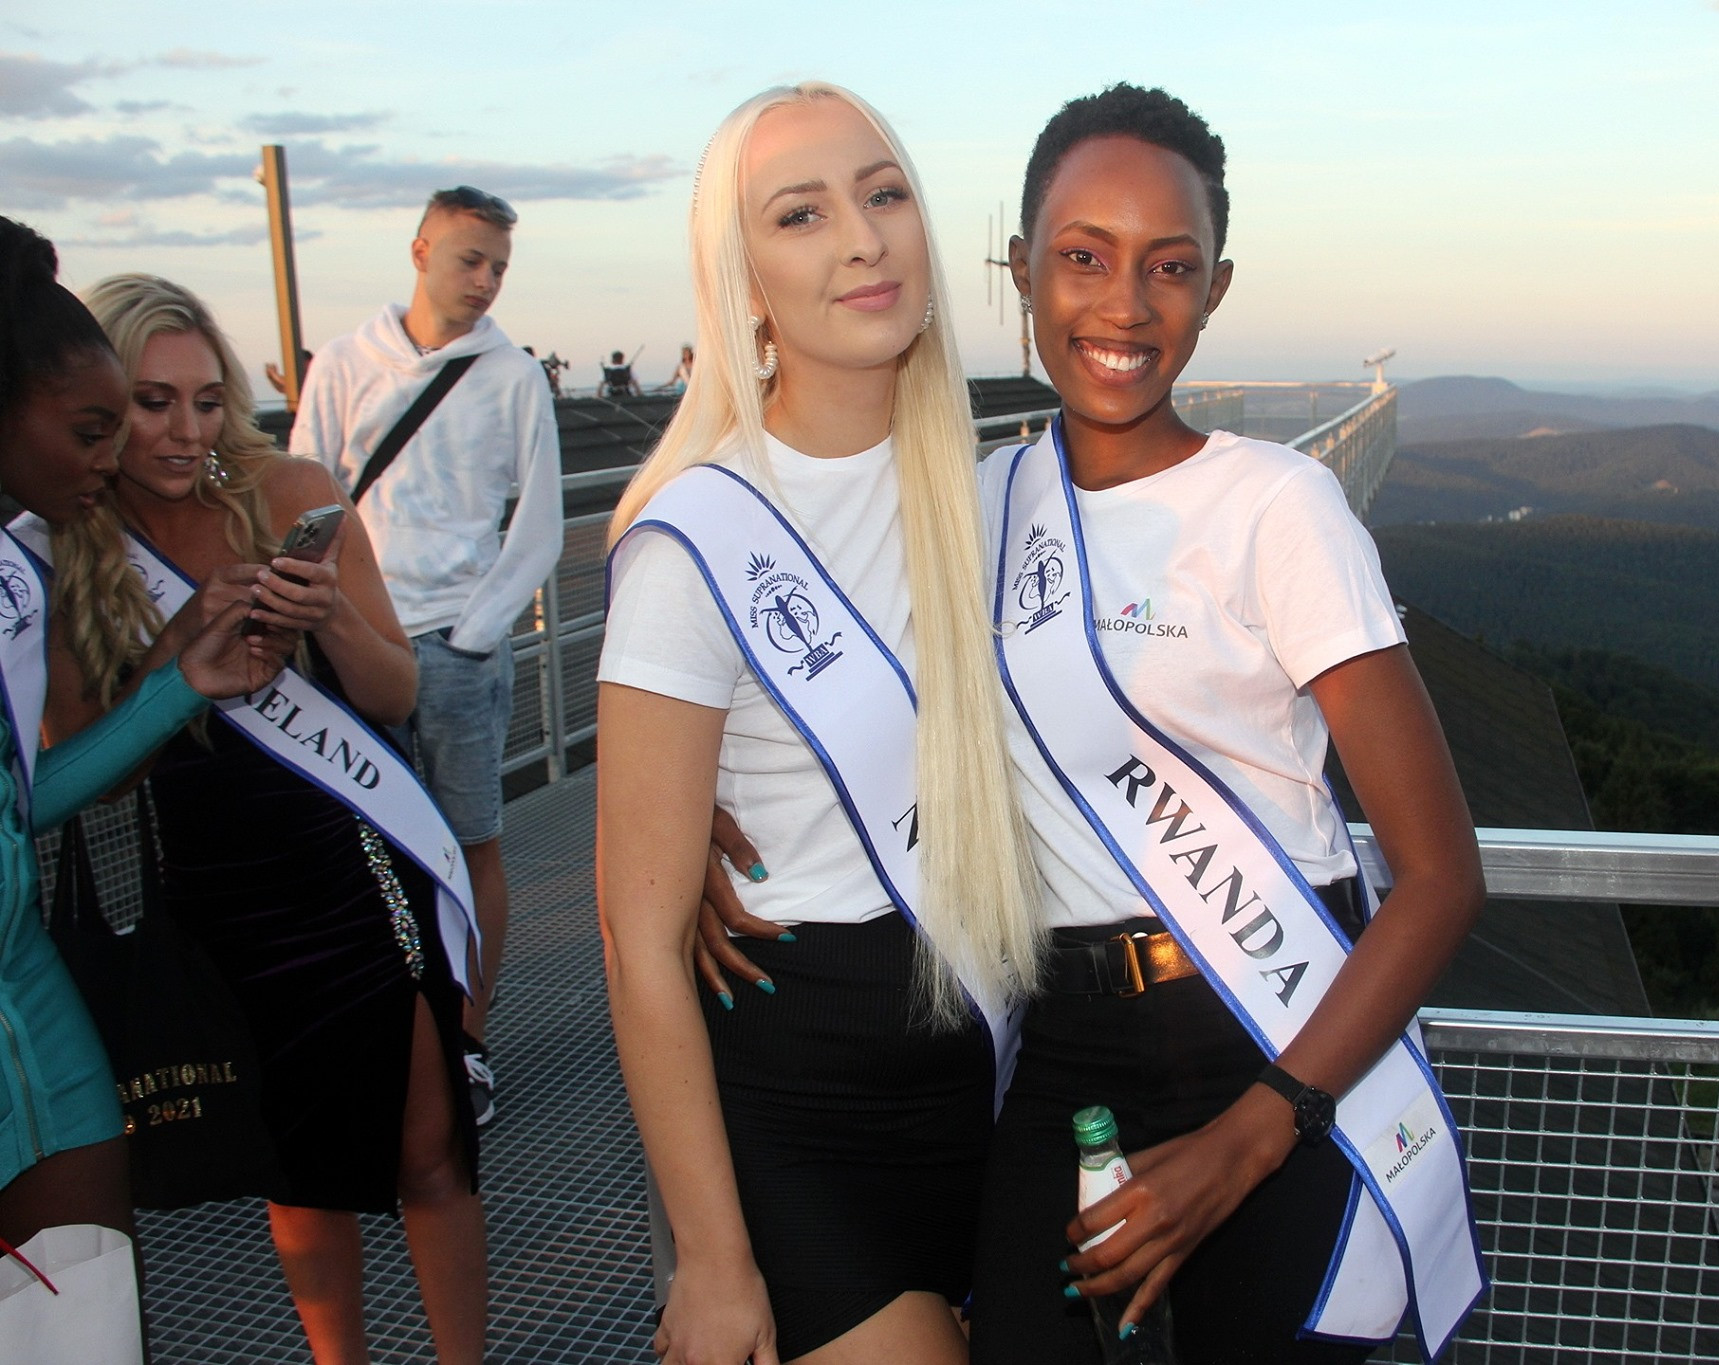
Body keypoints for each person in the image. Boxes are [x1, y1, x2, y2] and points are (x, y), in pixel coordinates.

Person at [968, 84, 1487, 1364]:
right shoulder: (974, 507)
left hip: (1272, 1039)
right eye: (1082, 258)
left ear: (1215, 289)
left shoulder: (1279, 506)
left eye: (1170, 267)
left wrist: (1250, 1137)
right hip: (1060, 1050)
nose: (1124, 305)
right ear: (1021, 272)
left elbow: (1438, 876)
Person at [597, 82, 1042, 1365]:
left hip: (992, 1063)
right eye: (802, 214)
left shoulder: (997, 495)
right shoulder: (694, 539)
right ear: (741, 284)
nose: (863, 237)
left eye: (884, 193)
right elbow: (635, 939)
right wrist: (715, 1257)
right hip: (801, 1095)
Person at [46, 273, 487, 1365]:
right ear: (105, 400)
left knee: (428, 1153)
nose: (185, 429)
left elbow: (394, 698)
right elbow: (82, 771)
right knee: (293, 1178)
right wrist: (182, 648)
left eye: (206, 399)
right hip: (212, 895)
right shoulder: (72, 541)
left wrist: (326, 609)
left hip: (350, 866)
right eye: (152, 402)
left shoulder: (289, 488)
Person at [0, 219, 291, 1340]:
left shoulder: (19, 582)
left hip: (35, 1005)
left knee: (93, 1325)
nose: (102, 457)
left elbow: (22, 813)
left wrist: (183, 683)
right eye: (87, 429)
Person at [290, 184, 563, 1128]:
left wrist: (474, 632)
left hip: (456, 647)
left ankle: (466, 1040)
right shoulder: (344, 362)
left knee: (468, 842)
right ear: (420, 251)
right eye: (468, 259)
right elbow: (308, 492)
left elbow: (538, 522)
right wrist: (324, 622)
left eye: (497, 266)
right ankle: (386, 1036)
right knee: (357, 847)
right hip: (353, 640)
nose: (485, 281)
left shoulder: (513, 375)